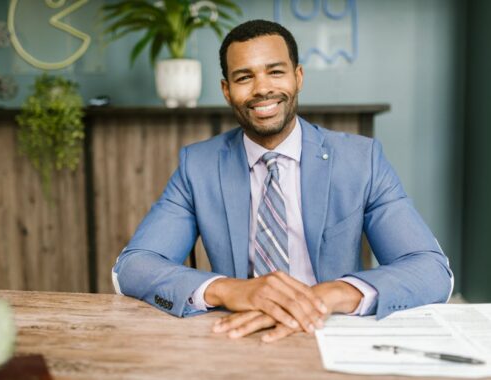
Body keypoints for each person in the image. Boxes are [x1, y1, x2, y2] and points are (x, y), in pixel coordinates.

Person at [112, 19, 453, 343]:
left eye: (275, 72)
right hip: (235, 332)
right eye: (244, 77)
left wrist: (327, 295)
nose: (262, 89)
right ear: (227, 90)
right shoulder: (197, 166)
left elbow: (432, 270)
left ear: (298, 76)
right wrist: (233, 290)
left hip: (332, 330)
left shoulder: (362, 160)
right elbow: (132, 266)